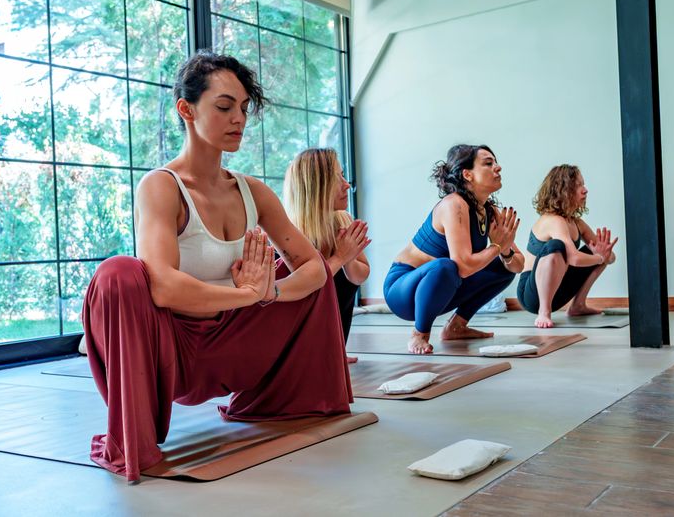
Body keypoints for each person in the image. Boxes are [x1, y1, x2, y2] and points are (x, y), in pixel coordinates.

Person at [81, 51, 353, 483]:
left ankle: (284, 400)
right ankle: (136, 438)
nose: (238, 119)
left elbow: (314, 268)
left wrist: (272, 291)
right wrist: (245, 295)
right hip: (172, 348)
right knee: (119, 273)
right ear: (186, 110)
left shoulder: (252, 191)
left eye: (243, 108)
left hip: (233, 340)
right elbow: (165, 287)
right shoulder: (160, 186)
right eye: (224, 107)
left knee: (300, 276)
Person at [383, 144, 524, 354]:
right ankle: (419, 334)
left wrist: (504, 251)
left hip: (445, 285)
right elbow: (464, 266)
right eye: (488, 163)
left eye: (496, 162)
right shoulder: (453, 204)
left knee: (503, 267)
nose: (498, 167)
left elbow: (518, 265)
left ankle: (456, 327)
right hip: (404, 291)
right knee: (445, 266)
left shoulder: (488, 210)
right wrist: (497, 246)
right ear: (467, 174)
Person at [284, 148, 371, 360]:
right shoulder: (289, 232)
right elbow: (300, 290)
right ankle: (316, 352)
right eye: (338, 178)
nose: (347, 185)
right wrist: (340, 257)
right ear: (317, 187)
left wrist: (348, 259)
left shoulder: (343, 220)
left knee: (343, 278)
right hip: (292, 334)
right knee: (325, 275)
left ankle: (335, 348)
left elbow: (360, 277)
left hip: (332, 329)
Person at [517, 164, 618, 328]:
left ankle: (577, 306)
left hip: (558, 291)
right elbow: (574, 259)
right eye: (577, 186)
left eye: (583, 184)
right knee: (556, 247)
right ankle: (544, 312)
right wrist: (599, 257)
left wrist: (604, 255)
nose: (585, 190)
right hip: (532, 295)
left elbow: (609, 257)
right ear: (561, 190)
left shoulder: (576, 223)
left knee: (598, 251)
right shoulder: (553, 220)